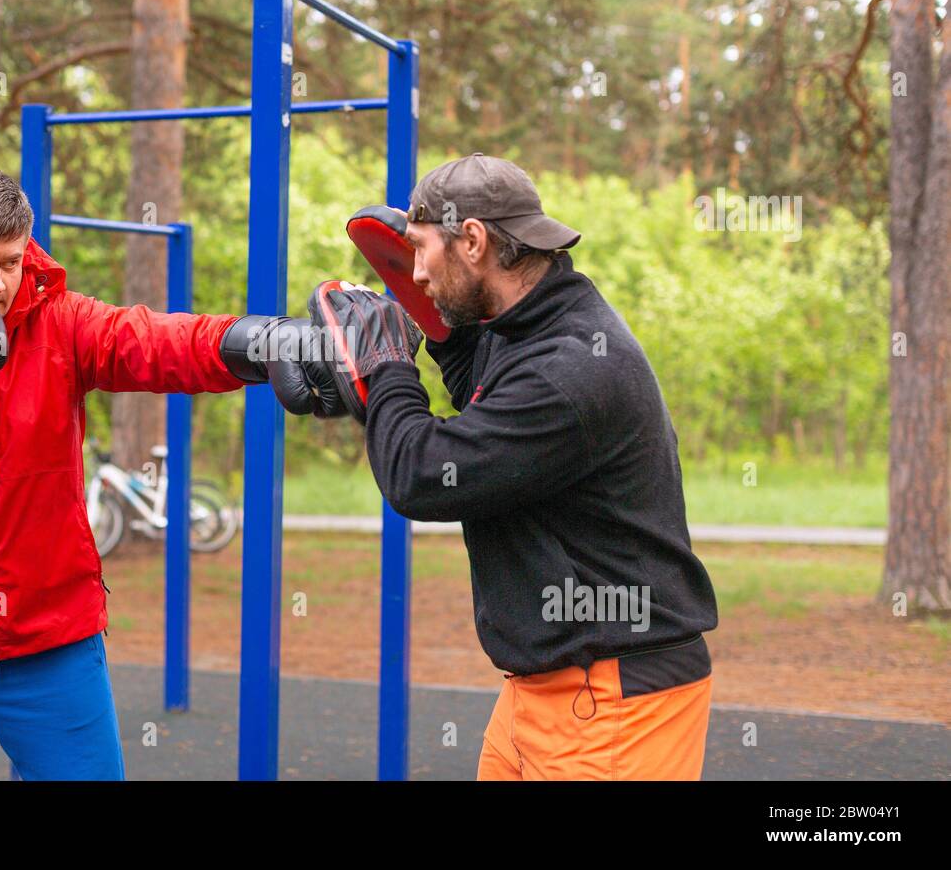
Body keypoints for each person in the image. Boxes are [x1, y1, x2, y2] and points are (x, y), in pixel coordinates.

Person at [0, 168, 341, 780]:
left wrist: (262, 340)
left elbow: (158, 342)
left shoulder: (60, 323)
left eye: (10, 263)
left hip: (51, 646)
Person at [304, 153, 719, 780]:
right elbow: (482, 376)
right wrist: (430, 333)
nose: (414, 272)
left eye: (421, 251)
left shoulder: (571, 368)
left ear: (472, 241)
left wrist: (387, 367)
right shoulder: (530, 322)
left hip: (613, 704)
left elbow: (423, 475)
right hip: (543, 690)